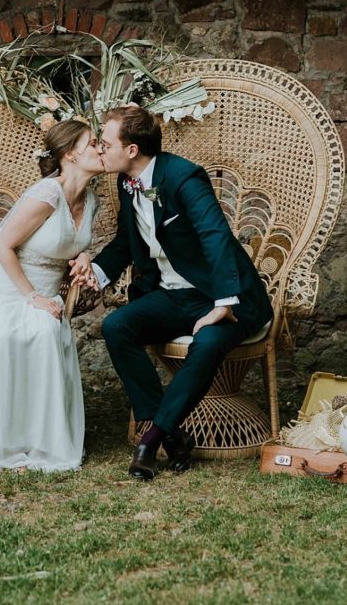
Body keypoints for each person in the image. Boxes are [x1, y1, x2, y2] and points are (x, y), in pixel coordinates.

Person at [69, 105, 274, 480]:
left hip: (218, 295)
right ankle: (171, 433)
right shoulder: (127, 181)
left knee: (209, 343)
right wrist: (96, 272)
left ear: (131, 150)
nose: (100, 147)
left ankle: (151, 439)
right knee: (117, 327)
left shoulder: (184, 177)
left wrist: (224, 301)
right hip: (170, 295)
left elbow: (215, 236)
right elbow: (127, 241)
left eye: (106, 141)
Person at [0, 119, 102, 472]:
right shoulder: (47, 194)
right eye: (93, 143)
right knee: (33, 329)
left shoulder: (90, 200)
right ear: (70, 154)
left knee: (45, 328)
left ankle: (42, 440)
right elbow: (4, 247)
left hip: (43, 292)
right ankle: (8, 441)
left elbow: (69, 243)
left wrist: (83, 256)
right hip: (3, 289)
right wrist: (31, 297)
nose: (101, 148)